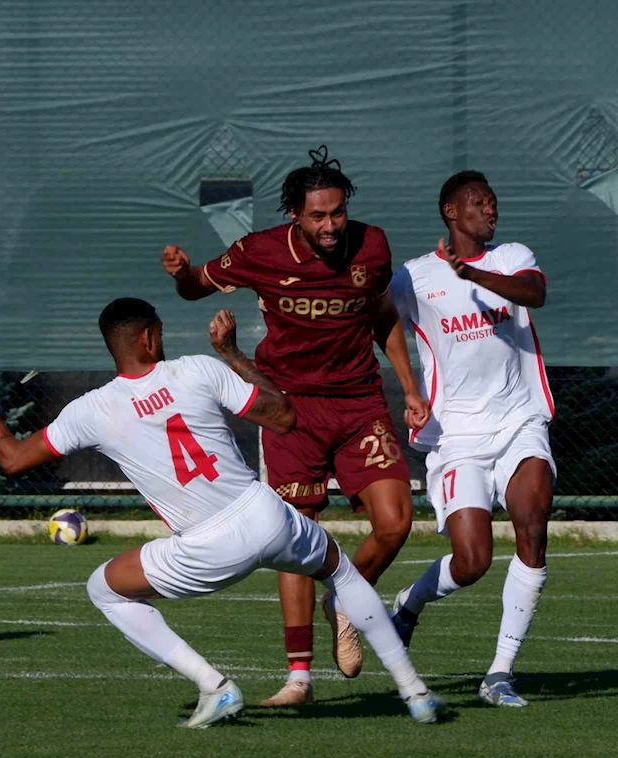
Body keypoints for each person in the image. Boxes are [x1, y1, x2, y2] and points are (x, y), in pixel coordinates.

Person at [0, 298, 444, 728]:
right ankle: (415, 692)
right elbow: (283, 415)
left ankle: (215, 685)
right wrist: (233, 355)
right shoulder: (198, 369)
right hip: (265, 514)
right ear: (148, 337)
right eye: (160, 331)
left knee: (103, 588)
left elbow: (11, 458)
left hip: (205, 547)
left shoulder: (91, 410)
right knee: (341, 569)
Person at [161, 146, 430, 707]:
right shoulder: (258, 251)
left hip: (359, 404)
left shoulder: (373, 245)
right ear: (293, 215)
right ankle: (299, 679)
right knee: (295, 537)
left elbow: (383, 317)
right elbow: (194, 287)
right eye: (317, 216)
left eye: (337, 213)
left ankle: (345, 600)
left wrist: (409, 387)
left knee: (395, 522)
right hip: (291, 411)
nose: (330, 226)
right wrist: (183, 273)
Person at [389, 170, 556, 707]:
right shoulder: (414, 276)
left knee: (533, 525)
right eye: (479, 203)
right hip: (456, 436)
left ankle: (500, 672)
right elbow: (379, 322)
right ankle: (408, 605)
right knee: (472, 562)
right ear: (451, 212)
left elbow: (534, 292)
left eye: (493, 202)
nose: (491, 211)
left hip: (518, 421)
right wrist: (409, 388)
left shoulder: (510, 258)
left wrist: (474, 274)